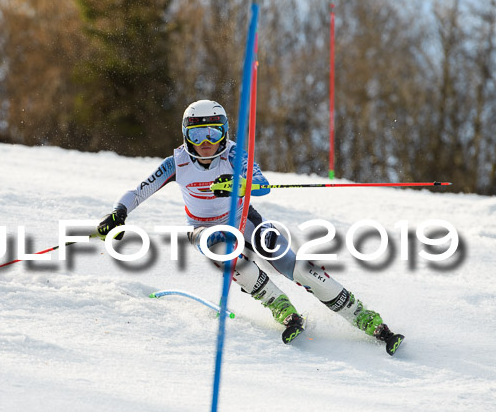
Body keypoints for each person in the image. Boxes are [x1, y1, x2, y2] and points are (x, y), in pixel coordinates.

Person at [97, 99, 403, 354]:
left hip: (247, 220)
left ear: (224, 132)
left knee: (299, 269)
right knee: (229, 254)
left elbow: (262, 185)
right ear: (185, 135)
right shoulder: (176, 163)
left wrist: (238, 185)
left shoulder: (233, 153)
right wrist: (118, 213)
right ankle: (283, 310)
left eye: (213, 133)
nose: (206, 143)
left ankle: (369, 321)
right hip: (203, 229)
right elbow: (140, 190)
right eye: (197, 135)